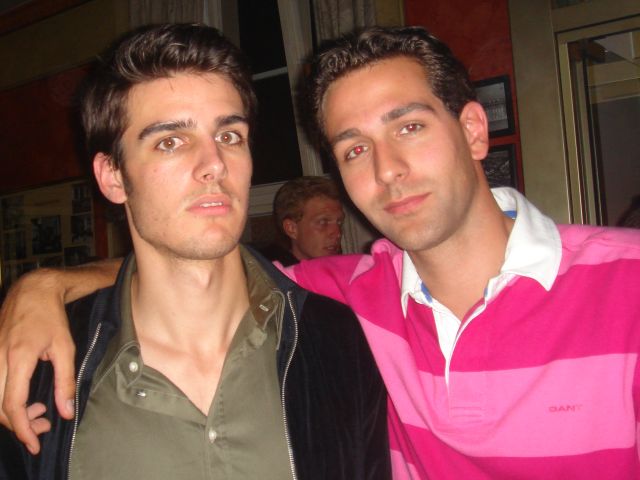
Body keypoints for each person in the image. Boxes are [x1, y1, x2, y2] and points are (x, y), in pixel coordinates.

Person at [2, 24, 640, 479]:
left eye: (409, 126)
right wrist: (42, 287)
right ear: (112, 176)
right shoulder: (350, 299)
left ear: (474, 129)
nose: (388, 169)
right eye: (355, 148)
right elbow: (194, 263)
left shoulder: (628, 282)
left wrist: (41, 284)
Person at [0, 24, 389, 480]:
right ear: (113, 177)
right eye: (170, 141)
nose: (214, 164)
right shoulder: (38, 370)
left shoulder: (335, 339)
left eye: (229, 136)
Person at [260, 175, 345, 265]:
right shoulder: (269, 272)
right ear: (291, 229)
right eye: (323, 222)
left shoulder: (346, 268)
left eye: (339, 222)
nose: (337, 233)